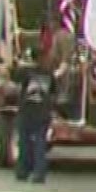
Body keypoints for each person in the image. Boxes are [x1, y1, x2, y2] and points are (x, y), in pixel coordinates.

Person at [11, 50, 62, 184]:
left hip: (29, 112)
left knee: (28, 143)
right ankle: (36, 173)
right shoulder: (48, 74)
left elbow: (15, 78)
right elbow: (54, 93)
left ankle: (25, 172)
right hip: (40, 112)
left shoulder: (26, 71)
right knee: (36, 144)